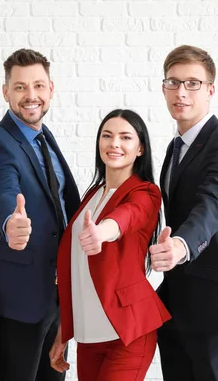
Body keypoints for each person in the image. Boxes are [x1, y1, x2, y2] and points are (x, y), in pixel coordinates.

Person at [149, 45, 218, 381]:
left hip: (217, 314)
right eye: (173, 82)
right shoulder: (175, 148)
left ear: (210, 90)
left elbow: (215, 203)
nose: (181, 92)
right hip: (177, 309)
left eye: (193, 83)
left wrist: (181, 245)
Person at [0, 48, 81, 381]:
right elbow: (3, 190)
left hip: (56, 298)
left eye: (38, 86)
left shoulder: (43, 138)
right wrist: (10, 223)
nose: (30, 95)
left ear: (51, 89)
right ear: (6, 92)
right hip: (19, 302)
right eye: (20, 87)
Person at [49, 109, 171, 381]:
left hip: (127, 334)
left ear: (140, 149)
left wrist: (102, 232)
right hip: (89, 335)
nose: (114, 143)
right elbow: (77, 272)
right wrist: (63, 332)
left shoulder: (146, 193)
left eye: (125, 137)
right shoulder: (92, 195)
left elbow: (126, 217)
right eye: (107, 135)